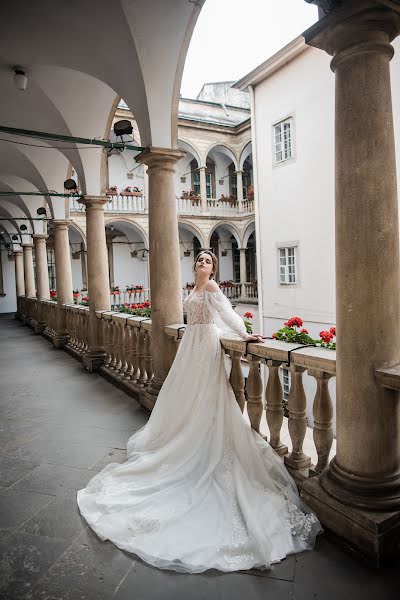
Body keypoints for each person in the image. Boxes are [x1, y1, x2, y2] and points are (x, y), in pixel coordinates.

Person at [77, 250, 322, 573]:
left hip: (205, 345)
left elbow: (227, 314)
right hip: (191, 345)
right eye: (200, 260)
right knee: (186, 398)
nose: (203, 263)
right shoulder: (192, 290)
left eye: (208, 260)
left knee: (207, 397)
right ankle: (187, 441)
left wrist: (244, 333)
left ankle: (205, 444)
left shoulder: (212, 289)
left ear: (213, 268)